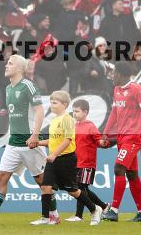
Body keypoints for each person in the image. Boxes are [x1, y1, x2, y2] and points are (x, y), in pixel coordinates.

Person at [0, 55, 55, 225]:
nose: (6, 65)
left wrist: (35, 135)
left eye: (10, 63)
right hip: (13, 142)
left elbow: (40, 111)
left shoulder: (29, 86)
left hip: (30, 142)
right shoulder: (9, 88)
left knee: (42, 181)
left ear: (19, 68)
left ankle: (53, 214)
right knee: (2, 176)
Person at [100, 61, 141, 222]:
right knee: (132, 174)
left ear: (122, 74)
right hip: (122, 138)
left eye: (114, 73)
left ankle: (114, 210)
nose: (112, 75)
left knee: (118, 168)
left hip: (134, 137)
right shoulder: (116, 90)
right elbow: (114, 114)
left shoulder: (137, 89)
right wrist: (105, 134)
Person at [35, 91, 102, 226]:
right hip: (52, 159)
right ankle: (45, 218)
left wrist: (54, 154)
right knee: (46, 187)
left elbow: (67, 139)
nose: (52, 105)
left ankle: (95, 210)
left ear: (64, 105)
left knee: (73, 190)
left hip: (66, 159)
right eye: (51, 102)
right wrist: (37, 143)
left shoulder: (67, 119)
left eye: (55, 103)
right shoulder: (54, 120)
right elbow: (53, 140)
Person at [66, 98, 108, 222]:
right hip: (76, 163)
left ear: (85, 112)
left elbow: (99, 140)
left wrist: (102, 142)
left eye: (77, 111)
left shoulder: (90, 126)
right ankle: (104, 207)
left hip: (87, 164)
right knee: (81, 189)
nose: (74, 113)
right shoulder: (74, 126)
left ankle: (80, 215)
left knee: (81, 188)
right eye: (73, 111)